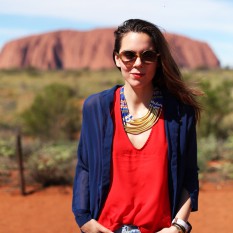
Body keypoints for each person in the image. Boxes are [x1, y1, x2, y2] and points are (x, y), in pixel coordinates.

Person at [72, 19, 202, 233]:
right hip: (105, 228)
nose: (138, 63)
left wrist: (179, 226)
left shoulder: (179, 112)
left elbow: (189, 173)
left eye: (148, 55)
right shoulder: (96, 107)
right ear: (117, 58)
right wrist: (84, 220)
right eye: (129, 55)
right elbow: (85, 166)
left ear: (158, 60)